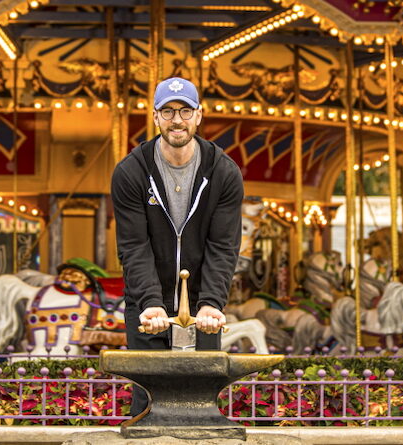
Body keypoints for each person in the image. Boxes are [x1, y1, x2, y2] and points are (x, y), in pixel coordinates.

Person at [111, 77, 244, 416]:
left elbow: (223, 246)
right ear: (155, 117)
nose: (177, 120)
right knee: (146, 405)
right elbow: (134, 246)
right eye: (168, 112)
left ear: (198, 115)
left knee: (201, 404)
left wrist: (212, 302)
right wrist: (151, 303)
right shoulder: (131, 172)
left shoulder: (223, 172)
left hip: (203, 309)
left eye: (185, 110)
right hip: (147, 305)